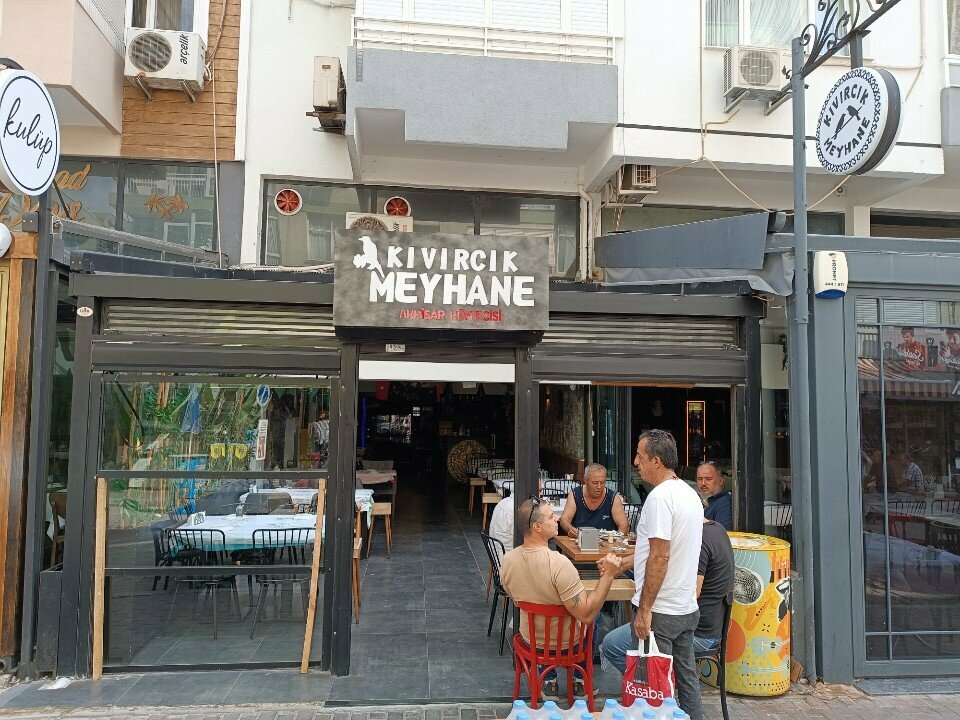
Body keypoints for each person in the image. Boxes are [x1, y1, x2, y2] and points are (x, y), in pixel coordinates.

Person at [600, 430, 704, 720]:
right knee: (687, 681)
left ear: (656, 461)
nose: (636, 462)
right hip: (685, 607)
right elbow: (662, 550)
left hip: (661, 610)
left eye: (640, 456)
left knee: (654, 692)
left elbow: (660, 556)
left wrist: (644, 610)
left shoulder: (659, 499)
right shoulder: (689, 494)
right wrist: (624, 563)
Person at [501, 497, 623, 700]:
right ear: (537, 527)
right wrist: (608, 576)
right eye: (551, 517)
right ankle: (580, 680)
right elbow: (586, 614)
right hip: (567, 645)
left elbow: (516, 600)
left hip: (531, 640)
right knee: (594, 616)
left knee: (546, 613)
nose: (557, 518)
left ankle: (548, 680)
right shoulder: (559, 564)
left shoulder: (507, 561)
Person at [695, 517, 735, 652]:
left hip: (700, 634)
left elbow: (692, 593)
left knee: (638, 640)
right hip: (713, 630)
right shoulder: (717, 528)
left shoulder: (699, 539)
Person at [559, 463, 629, 537]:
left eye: (602, 482)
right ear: (585, 481)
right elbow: (564, 520)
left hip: (606, 541)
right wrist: (570, 529)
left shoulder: (613, 498)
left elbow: (623, 525)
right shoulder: (575, 494)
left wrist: (616, 540)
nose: (599, 487)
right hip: (579, 540)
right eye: (595, 483)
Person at [696, 462, 733, 530]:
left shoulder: (724, 503)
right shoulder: (698, 500)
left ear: (721, 481)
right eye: (700, 479)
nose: (703, 483)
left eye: (708, 479)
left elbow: (724, 533)